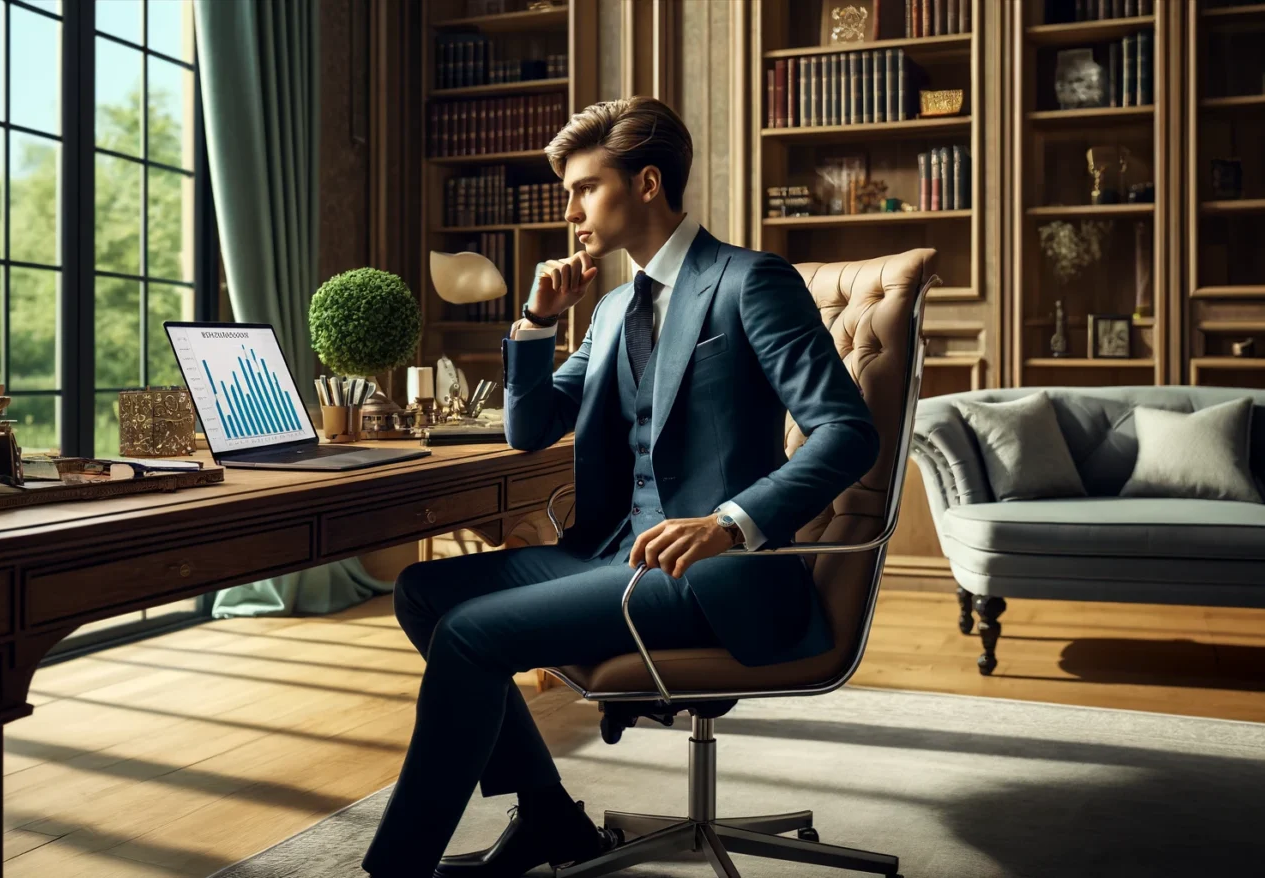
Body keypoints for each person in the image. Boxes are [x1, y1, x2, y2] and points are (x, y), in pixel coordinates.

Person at [361, 96, 879, 878]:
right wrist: (535, 322)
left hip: (711, 573)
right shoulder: (607, 311)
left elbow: (848, 431)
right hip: (609, 553)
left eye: (583, 188)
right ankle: (548, 821)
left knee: (470, 636)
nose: (568, 210)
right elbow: (528, 429)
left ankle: (396, 870)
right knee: (423, 595)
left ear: (644, 183)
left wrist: (730, 523)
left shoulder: (748, 281)